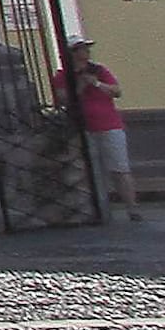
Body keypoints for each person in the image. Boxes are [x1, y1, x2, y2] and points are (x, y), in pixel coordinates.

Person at [61, 37, 135, 215]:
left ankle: (132, 207)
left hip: (109, 124)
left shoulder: (99, 70)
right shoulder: (64, 76)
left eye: (86, 49)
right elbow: (64, 100)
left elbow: (117, 91)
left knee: (119, 168)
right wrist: (80, 85)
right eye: (81, 49)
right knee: (87, 170)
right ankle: (94, 208)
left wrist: (96, 83)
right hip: (82, 127)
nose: (85, 53)